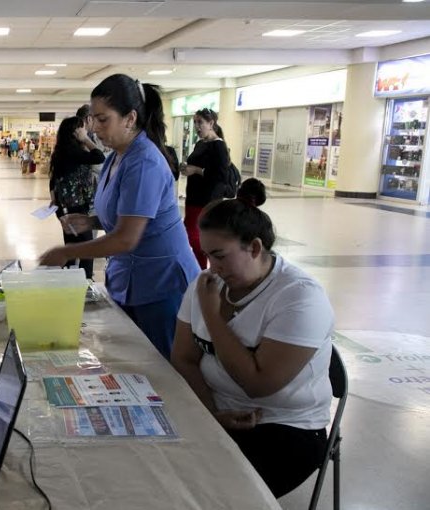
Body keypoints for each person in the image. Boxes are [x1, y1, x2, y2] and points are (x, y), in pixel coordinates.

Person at [170, 179, 332, 498]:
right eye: (206, 255)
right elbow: (184, 358)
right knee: (158, 472)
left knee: (209, 495)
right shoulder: (207, 283)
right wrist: (211, 414)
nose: (210, 267)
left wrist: (213, 316)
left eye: (220, 256)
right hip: (215, 410)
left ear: (255, 248)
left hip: (285, 427)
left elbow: (257, 385)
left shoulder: (299, 298)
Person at [39, 74, 200, 358]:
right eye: (93, 119)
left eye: (103, 120)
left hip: (161, 283)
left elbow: (127, 238)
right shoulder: (117, 156)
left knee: (162, 365)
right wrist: (91, 222)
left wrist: (68, 251)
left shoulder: (144, 163)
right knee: (135, 362)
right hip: (131, 278)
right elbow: (125, 212)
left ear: (130, 118)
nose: (95, 129)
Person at [48, 116, 106, 279]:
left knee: (72, 245)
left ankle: (69, 278)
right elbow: (99, 157)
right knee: (87, 247)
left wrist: (53, 196)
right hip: (75, 208)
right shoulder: (73, 152)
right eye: (82, 128)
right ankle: (86, 280)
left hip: (65, 206)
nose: (85, 130)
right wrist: (86, 139)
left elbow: (53, 179)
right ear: (75, 132)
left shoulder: (62, 151)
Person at [180, 108, 232, 269]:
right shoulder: (201, 143)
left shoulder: (219, 146)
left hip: (207, 199)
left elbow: (220, 175)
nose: (197, 126)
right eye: (195, 122)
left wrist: (196, 170)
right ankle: (199, 266)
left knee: (196, 235)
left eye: (200, 122)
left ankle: (201, 268)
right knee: (191, 232)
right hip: (194, 196)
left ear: (211, 123)